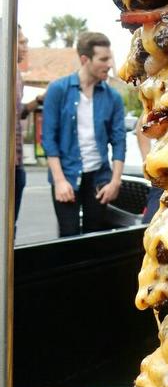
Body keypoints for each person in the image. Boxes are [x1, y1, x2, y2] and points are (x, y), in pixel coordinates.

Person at [41, 30, 126, 237]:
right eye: (103, 59)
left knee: (94, 238)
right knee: (68, 238)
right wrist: (59, 181)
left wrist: (115, 181)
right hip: (67, 175)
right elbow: (49, 139)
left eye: (110, 58)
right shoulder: (58, 90)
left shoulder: (113, 97)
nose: (109, 64)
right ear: (85, 59)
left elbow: (119, 141)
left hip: (99, 178)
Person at [14, 26, 43, 229]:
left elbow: (17, 113)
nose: (26, 46)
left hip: (15, 163)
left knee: (8, 225)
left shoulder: (16, 74)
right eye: (22, 41)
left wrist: (39, 100)